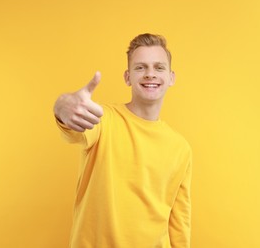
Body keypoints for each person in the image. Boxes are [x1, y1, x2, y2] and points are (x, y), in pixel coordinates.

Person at [53, 33, 192, 248]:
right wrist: (63, 106)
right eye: (140, 67)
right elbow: (73, 128)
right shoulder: (103, 119)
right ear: (127, 77)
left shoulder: (181, 147)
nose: (150, 74)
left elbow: (179, 221)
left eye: (159, 67)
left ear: (171, 77)